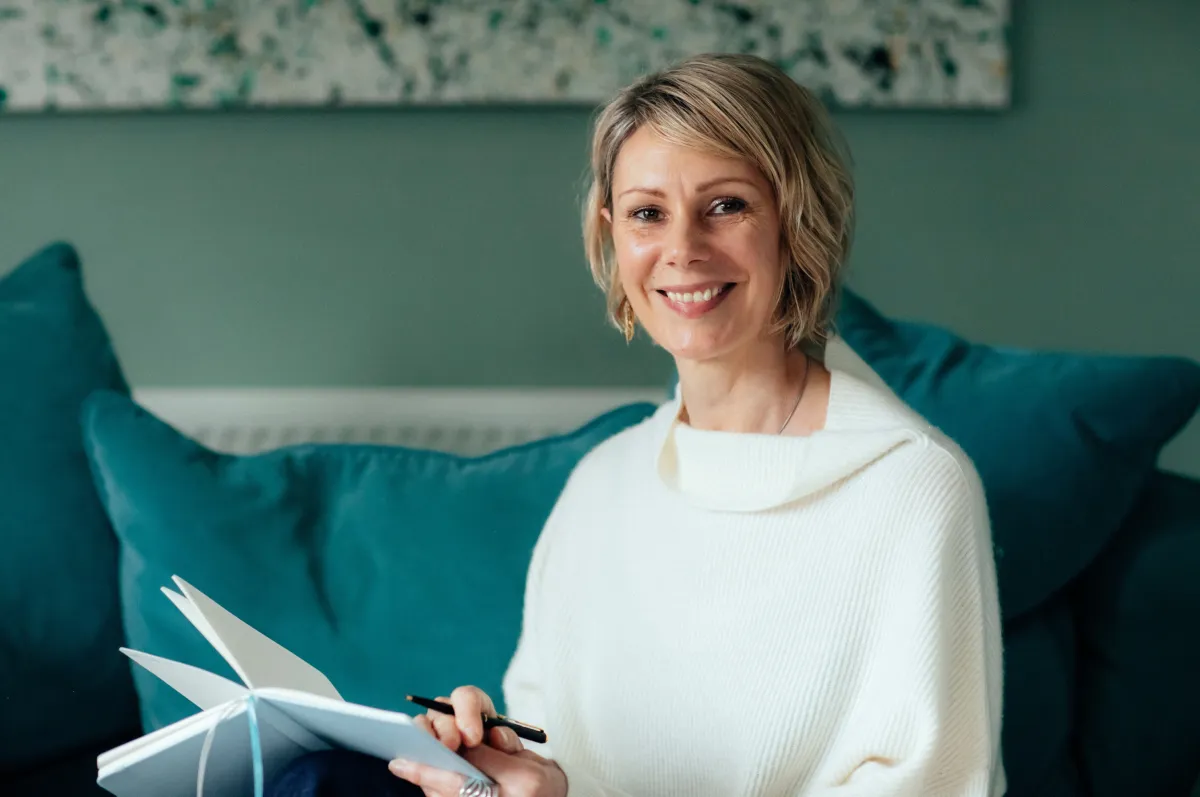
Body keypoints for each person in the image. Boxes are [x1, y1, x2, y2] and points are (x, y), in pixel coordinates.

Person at [268, 52, 1005, 797]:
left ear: (796, 220)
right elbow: (558, 762)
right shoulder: (602, 485)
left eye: (726, 205)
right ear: (612, 234)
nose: (682, 248)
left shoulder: (914, 487)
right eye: (648, 213)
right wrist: (498, 770)